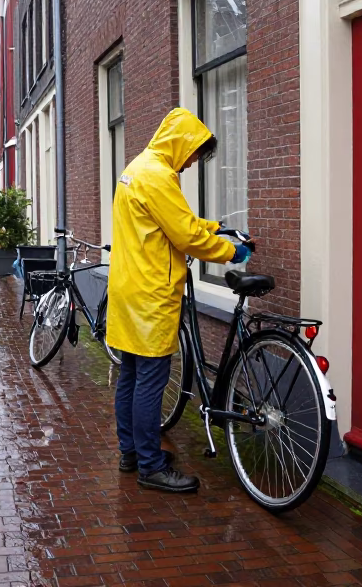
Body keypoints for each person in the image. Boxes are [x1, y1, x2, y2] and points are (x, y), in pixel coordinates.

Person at [105, 107, 251, 493]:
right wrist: (229, 252)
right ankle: (151, 467)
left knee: (131, 376)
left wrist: (215, 227)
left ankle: (131, 452)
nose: (190, 164)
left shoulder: (138, 167)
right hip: (150, 294)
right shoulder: (158, 176)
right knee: (150, 381)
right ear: (181, 144)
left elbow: (172, 221)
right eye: (192, 155)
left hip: (127, 287)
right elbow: (185, 237)